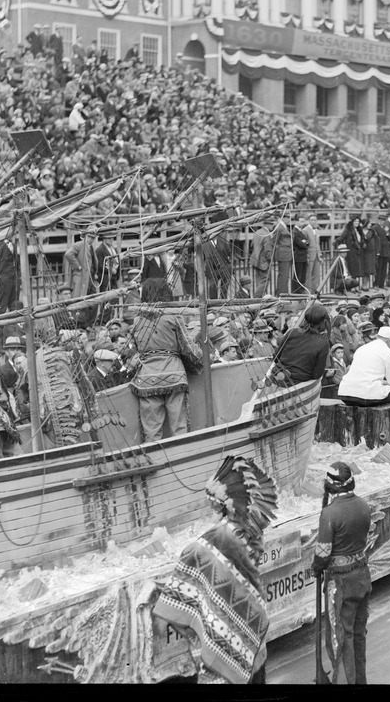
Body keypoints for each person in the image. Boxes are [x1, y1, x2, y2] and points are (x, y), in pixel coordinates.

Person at [153, 455, 276, 684]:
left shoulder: (220, 536)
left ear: (223, 504)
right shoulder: (251, 531)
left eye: (212, 502)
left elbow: (192, 556)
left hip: (224, 631)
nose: (210, 506)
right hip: (251, 621)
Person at [312, 461, 372, 685]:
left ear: (330, 486)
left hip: (341, 583)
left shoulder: (330, 513)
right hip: (362, 577)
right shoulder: (364, 505)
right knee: (358, 636)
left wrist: (316, 567)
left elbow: (323, 552)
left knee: (340, 639)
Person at [127, 279, 203, 442]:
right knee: (179, 427)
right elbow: (187, 346)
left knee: (151, 431)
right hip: (174, 373)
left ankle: (155, 461)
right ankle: (182, 458)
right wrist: (199, 358)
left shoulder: (136, 321)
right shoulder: (172, 315)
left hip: (147, 378)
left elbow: (135, 349)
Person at [337, 326, 390, 406]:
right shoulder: (389, 353)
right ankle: (388, 418)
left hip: (344, 393)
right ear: (389, 340)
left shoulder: (362, 348)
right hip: (364, 396)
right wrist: (385, 382)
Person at [270, 303, 331, 386]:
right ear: (324, 322)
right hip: (297, 385)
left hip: (276, 380)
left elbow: (276, 357)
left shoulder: (292, 332)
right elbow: (317, 374)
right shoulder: (323, 343)